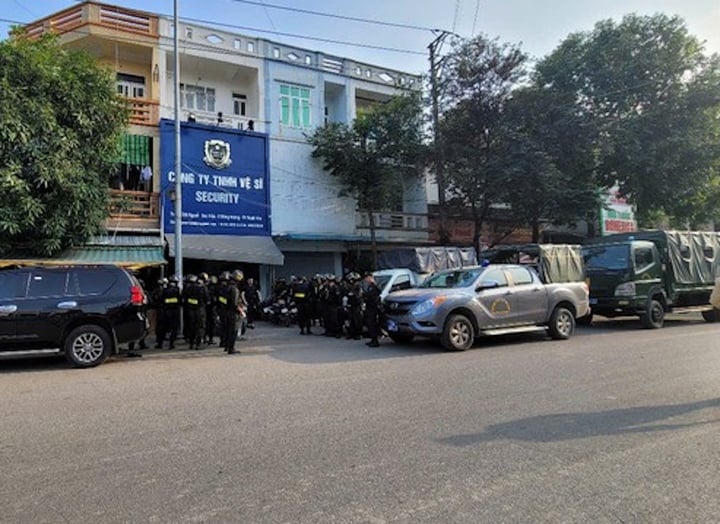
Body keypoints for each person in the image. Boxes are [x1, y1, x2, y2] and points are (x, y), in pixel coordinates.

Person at [216, 271, 241, 354]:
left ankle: (226, 346)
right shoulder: (234, 289)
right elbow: (234, 303)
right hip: (232, 313)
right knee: (233, 331)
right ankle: (231, 348)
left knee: (225, 330)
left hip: (223, 312)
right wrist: (240, 310)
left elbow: (221, 300)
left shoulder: (223, 287)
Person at [182, 274, 208, 350]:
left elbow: (185, 299)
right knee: (200, 327)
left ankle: (191, 343)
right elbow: (207, 300)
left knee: (191, 327)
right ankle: (198, 344)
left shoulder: (189, 288)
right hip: (200, 310)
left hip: (191, 310)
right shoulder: (203, 288)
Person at [156, 275, 181, 349]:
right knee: (174, 328)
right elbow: (180, 300)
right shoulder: (177, 290)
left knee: (162, 328)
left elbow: (160, 300)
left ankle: (160, 344)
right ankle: (171, 344)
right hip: (174, 311)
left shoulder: (165, 290)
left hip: (165, 311)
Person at [362, 272, 382, 347]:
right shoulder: (370, 286)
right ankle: (372, 339)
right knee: (369, 324)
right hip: (369, 307)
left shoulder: (375, 285)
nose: (366, 279)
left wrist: (374, 283)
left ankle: (375, 341)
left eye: (367, 278)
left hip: (373, 308)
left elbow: (379, 292)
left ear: (370, 277)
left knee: (372, 324)